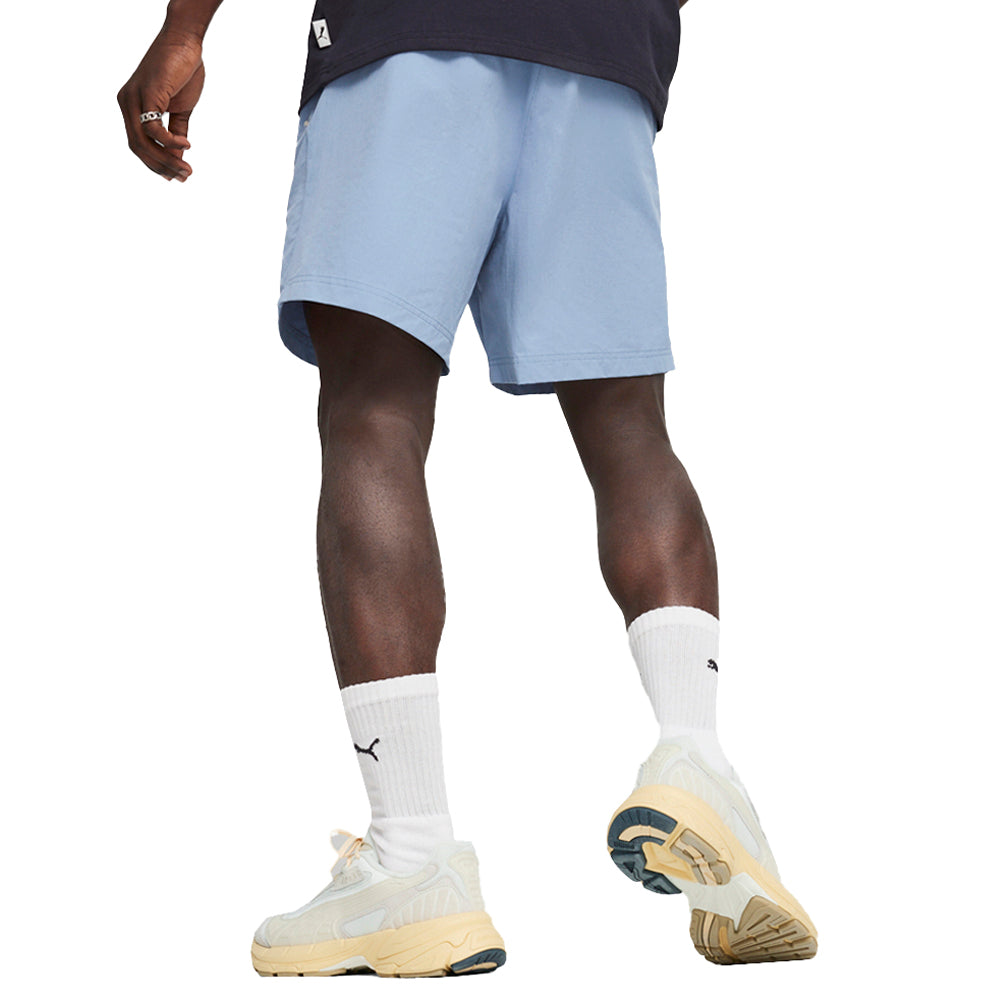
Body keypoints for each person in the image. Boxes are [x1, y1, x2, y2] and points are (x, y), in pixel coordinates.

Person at [118, 0, 818, 975]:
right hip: (606, 49)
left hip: (410, 33)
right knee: (628, 428)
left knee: (374, 413)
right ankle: (696, 759)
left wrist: (186, 28)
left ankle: (411, 856)